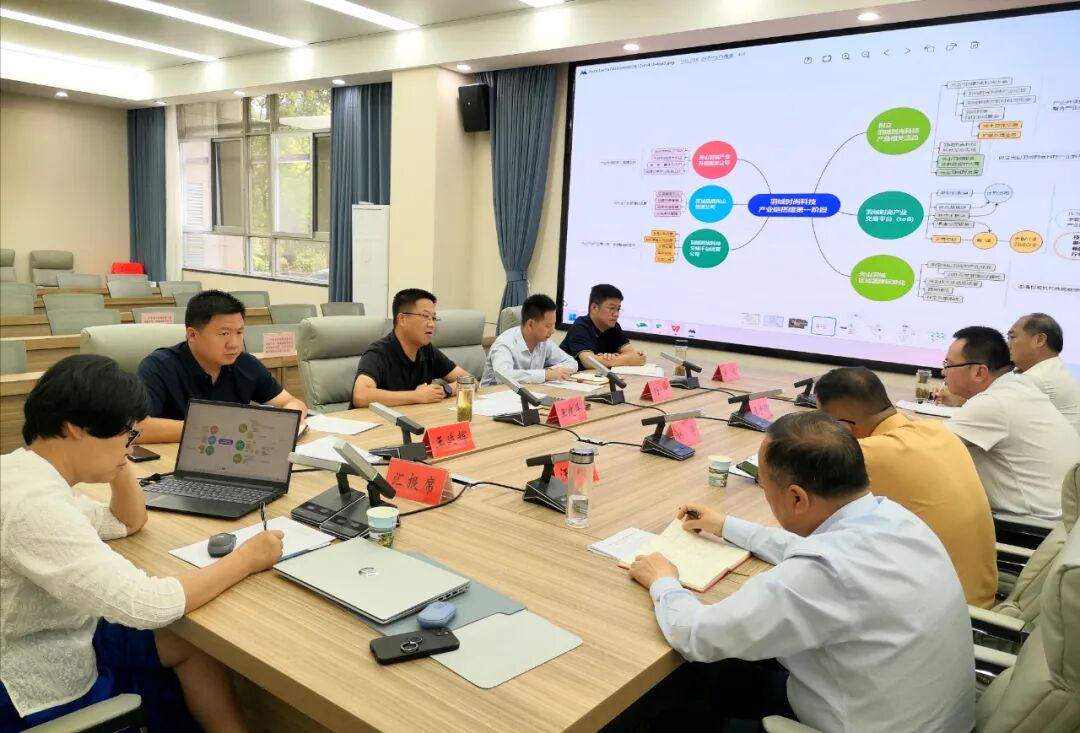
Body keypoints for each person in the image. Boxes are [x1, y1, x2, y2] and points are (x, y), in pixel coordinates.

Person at [627, 411, 974, 733]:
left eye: (767, 491)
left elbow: (696, 635)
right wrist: (726, 525)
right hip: (911, 711)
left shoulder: (824, 571)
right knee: (721, 679)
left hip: (860, 721)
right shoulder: (892, 517)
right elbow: (812, 549)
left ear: (797, 498)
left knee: (666, 719)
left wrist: (663, 581)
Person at [0, 354, 284, 731]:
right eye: (127, 434)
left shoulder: (23, 470)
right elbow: (148, 604)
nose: (131, 445)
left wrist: (118, 462)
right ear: (75, 429)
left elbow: (127, 521)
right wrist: (247, 558)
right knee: (176, 629)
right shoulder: (34, 507)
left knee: (191, 644)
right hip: (35, 676)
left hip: (66, 630)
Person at [815, 366, 997, 608]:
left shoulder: (868, 454)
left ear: (844, 429)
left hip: (940, 614)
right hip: (975, 598)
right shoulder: (938, 431)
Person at [941, 326, 1078, 520]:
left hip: (1033, 526)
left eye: (949, 364)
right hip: (1063, 519)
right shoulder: (1017, 387)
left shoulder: (994, 402)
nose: (943, 371)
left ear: (980, 372)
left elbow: (929, 446)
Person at [136, 290, 308, 444]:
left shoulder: (246, 364)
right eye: (224, 333)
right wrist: (220, 428)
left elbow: (292, 402)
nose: (234, 344)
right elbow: (138, 428)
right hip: (172, 459)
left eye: (239, 332)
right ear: (192, 335)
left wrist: (287, 423)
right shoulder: (158, 367)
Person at [351, 288, 469, 407]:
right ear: (402, 319)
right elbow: (360, 396)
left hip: (412, 416)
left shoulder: (426, 350)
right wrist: (416, 396)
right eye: (425, 316)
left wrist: (444, 391)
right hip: (375, 418)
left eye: (433, 318)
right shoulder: (378, 353)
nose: (432, 324)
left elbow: (469, 380)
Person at [480, 293, 578, 386]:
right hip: (493, 395)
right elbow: (503, 377)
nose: (552, 331)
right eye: (548, 326)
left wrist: (551, 372)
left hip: (528, 392)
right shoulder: (505, 343)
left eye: (553, 325)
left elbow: (572, 362)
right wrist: (545, 375)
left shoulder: (544, 342)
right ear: (530, 324)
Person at [1007, 312, 1080, 434]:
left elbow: (988, 413)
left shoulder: (1036, 378)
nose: (1008, 345)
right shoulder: (1053, 368)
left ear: (1039, 340)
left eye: (1012, 337)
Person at [559, 284, 646, 369]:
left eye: (618, 309)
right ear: (594, 308)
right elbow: (589, 362)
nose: (616, 314)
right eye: (611, 308)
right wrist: (625, 359)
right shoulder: (580, 327)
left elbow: (635, 356)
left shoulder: (614, 327)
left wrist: (612, 358)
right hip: (565, 376)